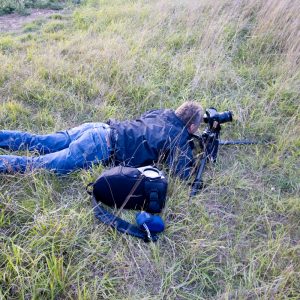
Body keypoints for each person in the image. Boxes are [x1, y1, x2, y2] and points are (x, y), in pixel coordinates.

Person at [0, 101, 203, 179]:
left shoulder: (162, 112)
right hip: (98, 146)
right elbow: (182, 174)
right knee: (39, 165)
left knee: (40, 142)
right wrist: (195, 151)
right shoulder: (179, 138)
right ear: (192, 127)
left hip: (97, 127)